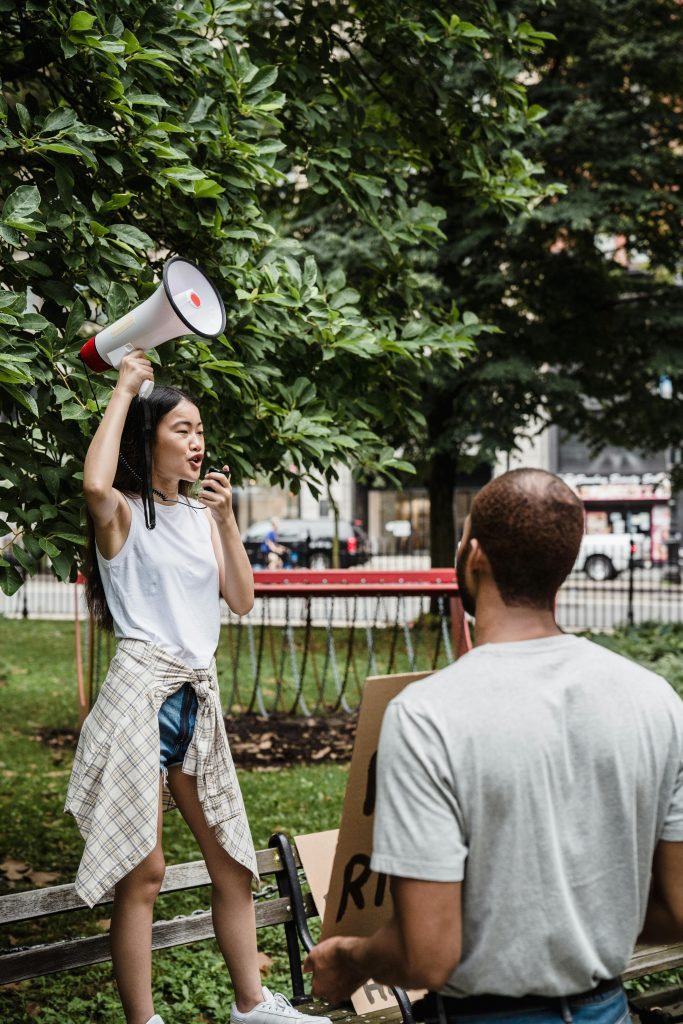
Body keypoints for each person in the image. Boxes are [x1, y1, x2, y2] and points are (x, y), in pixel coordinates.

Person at [305, 468, 683, 1024]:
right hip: (607, 1010)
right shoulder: (655, 700)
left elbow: (427, 954)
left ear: (474, 555)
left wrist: (349, 956)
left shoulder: (427, 714)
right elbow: (678, 907)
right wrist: (587, 917)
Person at [66, 350, 331, 1024]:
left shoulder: (200, 517)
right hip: (140, 699)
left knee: (234, 864)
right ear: (147, 439)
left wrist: (226, 519)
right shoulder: (121, 513)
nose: (196, 442)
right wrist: (126, 386)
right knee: (143, 872)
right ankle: (144, 1020)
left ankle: (251, 1006)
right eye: (181, 429)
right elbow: (94, 485)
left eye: (201, 431)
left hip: (194, 701)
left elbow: (239, 599)